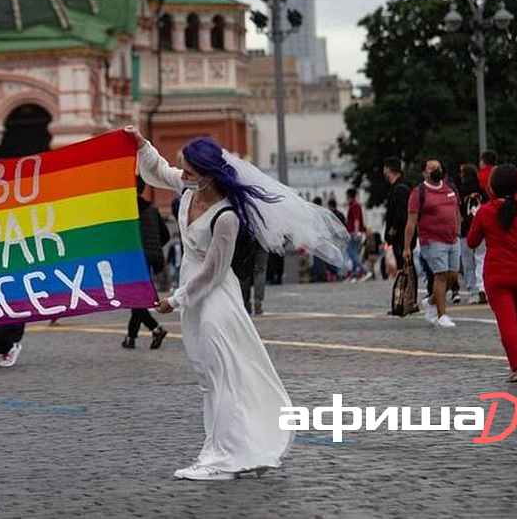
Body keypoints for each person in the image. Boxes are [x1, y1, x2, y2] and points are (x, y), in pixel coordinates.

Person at [129, 126, 347, 481]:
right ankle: (225, 450)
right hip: (195, 295)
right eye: (183, 169)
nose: (182, 175)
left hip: (215, 299)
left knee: (221, 376)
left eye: (189, 170)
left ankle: (225, 458)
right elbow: (158, 171)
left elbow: (213, 272)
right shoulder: (188, 189)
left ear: (207, 174)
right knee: (208, 377)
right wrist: (142, 145)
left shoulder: (226, 216)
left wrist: (177, 299)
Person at [467, 165, 517, 382]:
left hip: (496, 275)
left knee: (506, 321)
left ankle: (516, 366)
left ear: (492, 187)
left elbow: (472, 241)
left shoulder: (485, 212)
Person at [403, 158, 461, 328]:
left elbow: (456, 211)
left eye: (438, 167)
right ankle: (442, 315)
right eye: (431, 168)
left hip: (452, 239)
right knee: (440, 275)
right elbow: (411, 222)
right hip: (432, 240)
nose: (436, 169)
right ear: (424, 172)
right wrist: (407, 246)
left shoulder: (450, 188)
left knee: (452, 277)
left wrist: (457, 231)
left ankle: (430, 301)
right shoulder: (418, 193)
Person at [124, 176, 170, 349]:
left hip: (133, 260)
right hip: (149, 259)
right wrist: (154, 248)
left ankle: (156, 329)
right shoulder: (151, 209)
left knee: (136, 299)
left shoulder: (127, 211)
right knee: (138, 298)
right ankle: (130, 338)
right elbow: (164, 234)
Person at [457, 163, 488, 304]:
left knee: (467, 262)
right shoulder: (482, 190)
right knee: (481, 258)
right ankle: (482, 286)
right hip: (481, 229)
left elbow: (457, 212)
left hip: (465, 231)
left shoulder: (460, 191)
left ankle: (473, 291)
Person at [382, 157, 413, 271]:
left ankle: (406, 288)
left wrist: (392, 230)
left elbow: (401, 215)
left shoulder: (399, 189)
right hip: (404, 235)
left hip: (400, 237)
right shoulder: (405, 186)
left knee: (404, 268)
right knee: (407, 267)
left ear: (389, 169)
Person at [344, 188, 369, 281]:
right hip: (353, 232)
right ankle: (354, 274)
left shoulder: (354, 206)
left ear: (349, 196)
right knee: (354, 252)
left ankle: (364, 270)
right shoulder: (355, 205)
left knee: (352, 253)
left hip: (352, 232)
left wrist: (356, 232)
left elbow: (356, 220)